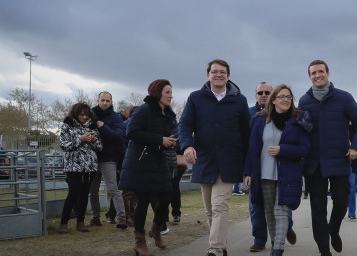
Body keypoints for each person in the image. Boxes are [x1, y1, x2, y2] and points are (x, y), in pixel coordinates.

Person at [178, 59, 251, 256]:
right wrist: (187, 146)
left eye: (223, 72)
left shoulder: (239, 100)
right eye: (214, 72)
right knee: (210, 210)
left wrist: (248, 166)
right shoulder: (195, 98)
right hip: (205, 160)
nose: (218, 75)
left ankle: (215, 250)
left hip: (229, 162)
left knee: (220, 207)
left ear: (228, 76)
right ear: (208, 75)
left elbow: (247, 133)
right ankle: (222, 245)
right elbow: (184, 125)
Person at [298, 59, 357, 256]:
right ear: (310, 77)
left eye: (321, 71)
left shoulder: (344, 98)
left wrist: (356, 146)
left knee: (341, 203)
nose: (317, 75)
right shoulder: (304, 101)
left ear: (328, 73)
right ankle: (324, 251)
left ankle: (334, 230)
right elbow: (301, 130)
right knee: (318, 210)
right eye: (313, 73)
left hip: (338, 159)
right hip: (314, 164)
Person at [244, 84, 311, 256]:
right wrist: (248, 172)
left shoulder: (298, 120)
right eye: (281, 96)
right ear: (273, 100)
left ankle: (277, 250)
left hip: (288, 173)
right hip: (264, 174)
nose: (285, 100)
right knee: (269, 213)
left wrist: (283, 150)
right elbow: (252, 149)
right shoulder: (259, 120)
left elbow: (305, 149)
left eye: (288, 97)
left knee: (281, 211)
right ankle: (275, 243)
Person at [119, 79, 177, 255]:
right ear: (157, 92)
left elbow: (171, 133)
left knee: (167, 194)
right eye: (167, 92)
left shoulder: (168, 113)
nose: (171, 95)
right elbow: (131, 133)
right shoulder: (144, 110)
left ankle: (156, 229)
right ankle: (139, 241)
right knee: (143, 201)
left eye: (171, 92)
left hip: (159, 160)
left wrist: (174, 141)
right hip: (140, 162)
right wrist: (160, 140)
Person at [58, 102, 103, 234]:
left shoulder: (93, 127)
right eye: (81, 114)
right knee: (73, 194)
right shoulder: (67, 125)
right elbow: (63, 145)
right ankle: (63, 223)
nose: (84, 117)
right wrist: (80, 139)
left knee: (84, 194)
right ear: (75, 114)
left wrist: (94, 141)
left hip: (90, 166)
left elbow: (100, 147)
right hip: (73, 166)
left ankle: (81, 222)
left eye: (86, 114)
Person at [87, 91, 128, 229]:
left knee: (113, 188)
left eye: (107, 101)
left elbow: (118, 135)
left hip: (108, 157)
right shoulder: (89, 114)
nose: (105, 103)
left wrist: (102, 126)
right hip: (92, 158)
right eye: (102, 100)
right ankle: (95, 217)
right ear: (98, 100)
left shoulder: (115, 117)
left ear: (111, 102)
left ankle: (122, 217)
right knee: (93, 190)